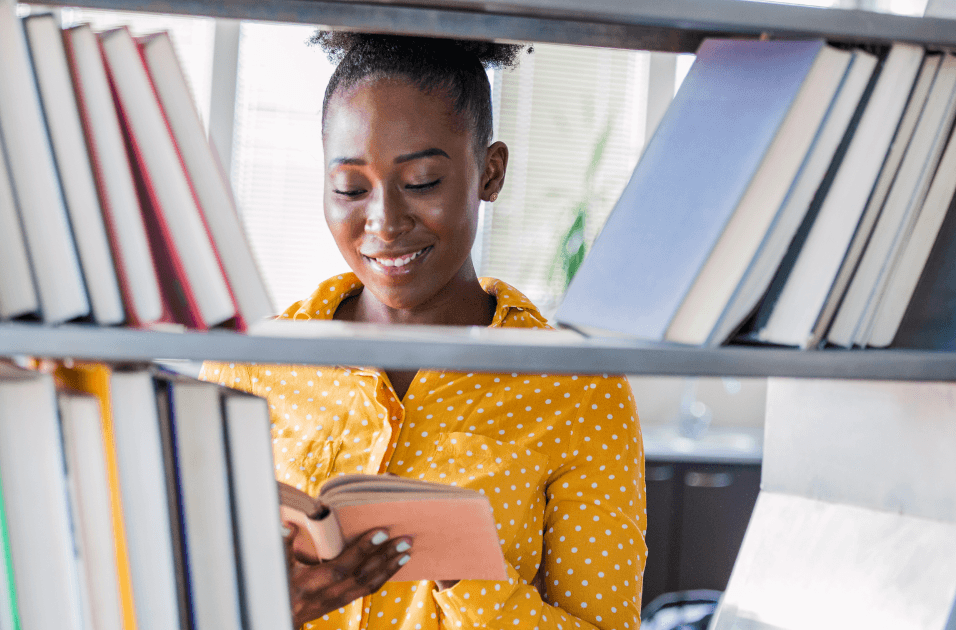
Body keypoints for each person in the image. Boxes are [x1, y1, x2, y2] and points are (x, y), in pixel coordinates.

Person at [201, 32, 646, 630]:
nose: (384, 222)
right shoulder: (252, 365)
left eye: (421, 183)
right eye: (351, 189)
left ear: (490, 173)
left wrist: (467, 576)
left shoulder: (576, 388)